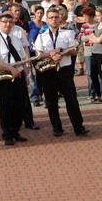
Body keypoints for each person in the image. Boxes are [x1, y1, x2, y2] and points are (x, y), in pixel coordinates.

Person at [33, 7, 89, 138]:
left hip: (64, 71)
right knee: (51, 102)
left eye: (56, 17)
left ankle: (78, 127)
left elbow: (74, 51)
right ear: (47, 20)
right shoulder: (41, 36)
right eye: (51, 17)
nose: (54, 19)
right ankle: (57, 128)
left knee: (72, 100)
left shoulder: (68, 33)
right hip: (48, 71)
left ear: (60, 18)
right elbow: (38, 55)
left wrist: (61, 51)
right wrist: (51, 55)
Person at [0, 12, 29, 146]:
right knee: (6, 106)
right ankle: (7, 134)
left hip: (18, 75)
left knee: (20, 105)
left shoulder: (15, 38)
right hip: (4, 76)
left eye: (10, 22)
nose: (8, 24)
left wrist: (26, 75)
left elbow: (22, 58)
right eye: (5, 22)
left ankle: (15, 131)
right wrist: (10, 69)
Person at [88, 8, 102, 103]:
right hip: (94, 51)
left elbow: (100, 40)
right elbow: (90, 38)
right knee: (93, 74)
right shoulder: (97, 25)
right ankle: (98, 94)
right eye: (96, 15)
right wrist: (96, 39)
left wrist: (96, 39)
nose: (97, 17)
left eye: (99, 15)